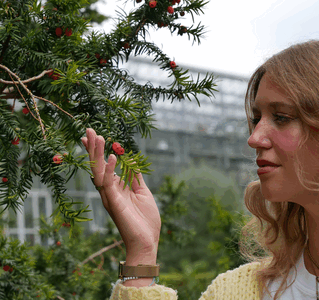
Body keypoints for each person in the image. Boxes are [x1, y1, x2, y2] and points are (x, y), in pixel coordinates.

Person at [81, 40, 319, 300]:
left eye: (282, 117)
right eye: (256, 118)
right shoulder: (235, 292)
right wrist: (142, 252)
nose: (254, 138)